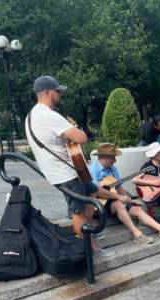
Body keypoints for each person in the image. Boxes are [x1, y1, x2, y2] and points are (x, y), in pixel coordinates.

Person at [25, 75, 111, 256]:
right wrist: (75, 131)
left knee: (92, 191)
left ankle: (86, 232)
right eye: (58, 92)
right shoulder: (49, 115)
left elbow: (55, 139)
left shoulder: (32, 115)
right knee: (78, 211)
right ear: (49, 93)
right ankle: (88, 247)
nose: (60, 95)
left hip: (66, 169)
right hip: (66, 173)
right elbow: (81, 138)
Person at [89, 143, 160, 243]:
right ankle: (137, 234)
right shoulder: (92, 169)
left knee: (136, 208)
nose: (115, 160)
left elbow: (118, 187)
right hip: (96, 205)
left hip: (112, 201)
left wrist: (130, 198)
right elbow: (95, 190)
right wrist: (119, 197)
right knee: (118, 204)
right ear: (103, 157)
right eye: (113, 157)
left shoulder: (113, 169)